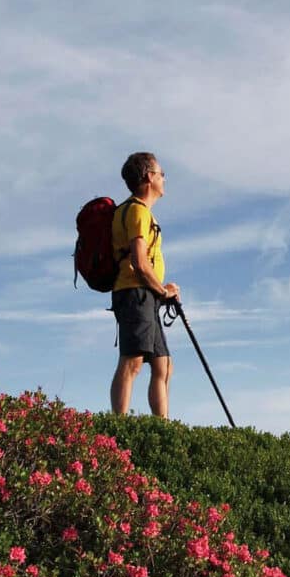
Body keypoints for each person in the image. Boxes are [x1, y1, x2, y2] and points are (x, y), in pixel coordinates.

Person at [109, 152, 180, 418]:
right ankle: (119, 425)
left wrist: (162, 292)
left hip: (145, 296)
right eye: (161, 174)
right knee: (133, 361)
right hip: (133, 293)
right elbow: (139, 262)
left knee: (163, 364)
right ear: (150, 177)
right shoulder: (137, 211)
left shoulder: (136, 211)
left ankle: (162, 429)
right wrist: (162, 291)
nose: (163, 179)